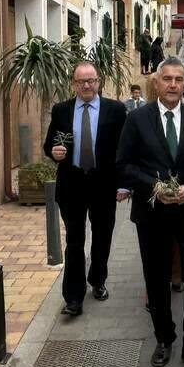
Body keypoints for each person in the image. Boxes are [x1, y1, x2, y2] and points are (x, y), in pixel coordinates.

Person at [115, 58, 184, 367]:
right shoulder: (137, 120)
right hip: (152, 214)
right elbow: (124, 165)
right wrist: (153, 186)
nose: (173, 85)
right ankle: (164, 338)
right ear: (156, 83)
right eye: (167, 79)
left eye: (178, 79)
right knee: (156, 280)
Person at [43, 61, 128, 316]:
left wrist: (124, 184)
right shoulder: (61, 111)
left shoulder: (115, 110)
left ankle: (98, 279)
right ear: (73, 84)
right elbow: (50, 144)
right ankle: (73, 297)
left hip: (104, 184)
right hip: (72, 184)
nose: (87, 85)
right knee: (74, 240)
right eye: (81, 81)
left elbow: (124, 150)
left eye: (91, 80)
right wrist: (53, 152)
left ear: (99, 81)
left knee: (102, 237)